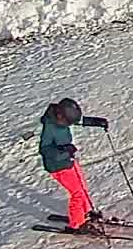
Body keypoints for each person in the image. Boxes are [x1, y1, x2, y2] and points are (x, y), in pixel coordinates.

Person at [38, 99, 111, 232]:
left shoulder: (64, 118)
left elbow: (80, 120)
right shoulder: (50, 128)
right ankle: (77, 224)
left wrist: (97, 122)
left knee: (82, 185)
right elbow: (44, 149)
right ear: (60, 116)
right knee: (76, 193)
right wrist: (64, 151)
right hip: (58, 166)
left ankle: (86, 211)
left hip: (69, 160)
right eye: (69, 122)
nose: (71, 124)